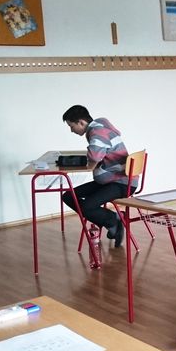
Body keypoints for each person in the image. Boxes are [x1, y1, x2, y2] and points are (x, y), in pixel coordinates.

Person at [61, 105, 135, 248]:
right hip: (112, 178)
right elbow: (97, 155)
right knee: (69, 196)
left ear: (81, 122)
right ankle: (113, 219)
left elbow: (94, 158)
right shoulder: (100, 125)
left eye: (71, 126)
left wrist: (82, 161)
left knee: (87, 207)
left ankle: (113, 222)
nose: (71, 130)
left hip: (122, 182)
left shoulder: (97, 132)